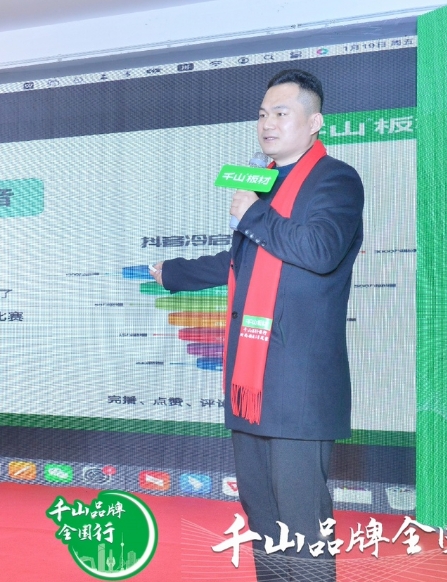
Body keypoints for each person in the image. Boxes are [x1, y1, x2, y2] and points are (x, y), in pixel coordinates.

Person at [150, 69, 363, 581]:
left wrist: (252, 215)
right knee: (263, 520)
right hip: (251, 384)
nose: (267, 123)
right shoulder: (262, 184)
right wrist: (175, 272)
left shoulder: (336, 179)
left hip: (299, 388)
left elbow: (319, 250)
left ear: (314, 122)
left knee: (301, 526)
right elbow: (241, 262)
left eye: (281, 113)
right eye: (263, 114)